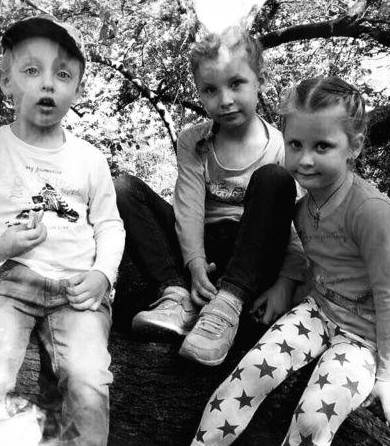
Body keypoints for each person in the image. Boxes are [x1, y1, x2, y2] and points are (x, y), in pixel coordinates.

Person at [154, 76, 390, 446]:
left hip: (364, 338)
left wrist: (388, 377)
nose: (305, 159)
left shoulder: (373, 212)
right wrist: (284, 287)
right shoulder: (303, 206)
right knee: (254, 368)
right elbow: (306, 257)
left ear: (354, 147)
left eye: (322, 146)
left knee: (316, 414)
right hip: (318, 311)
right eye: (295, 144)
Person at [0, 14, 125, 446]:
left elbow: (110, 225)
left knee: (87, 379)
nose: (48, 84)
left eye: (62, 75)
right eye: (31, 70)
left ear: (77, 89)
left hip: (77, 290)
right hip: (10, 282)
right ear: (6, 81)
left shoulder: (88, 159)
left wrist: (102, 275)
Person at [115, 26, 306, 366]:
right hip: (202, 248)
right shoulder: (195, 141)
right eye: (210, 90)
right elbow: (188, 208)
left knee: (274, 179)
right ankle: (177, 296)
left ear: (260, 81)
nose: (225, 99)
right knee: (124, 189)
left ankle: (227, 305)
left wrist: (286, 284)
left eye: (236, 84)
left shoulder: (281, 147)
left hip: (251, 256)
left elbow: (294, 225)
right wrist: (194, 262)